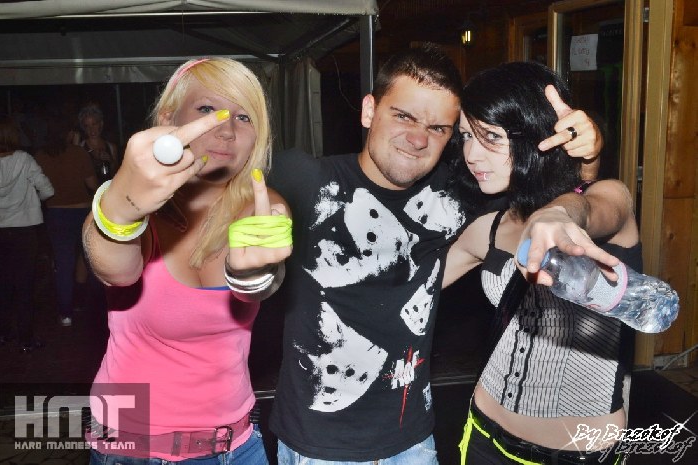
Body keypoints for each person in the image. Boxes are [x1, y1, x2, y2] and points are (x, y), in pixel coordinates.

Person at [266, 44, 612, 464]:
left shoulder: (460, 193)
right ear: (369, 111)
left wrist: (589, 156)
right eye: (403, 116)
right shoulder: (305, 179)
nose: (417, 139)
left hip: (415, 442)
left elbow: (559, 200)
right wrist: (268, 211)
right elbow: (233, 192)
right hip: (318, 448)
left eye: (438, 128)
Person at [81, 57, 292, 464]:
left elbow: (264, 280)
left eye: (244, 117)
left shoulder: (262, 204)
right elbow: (115, 269)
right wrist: (120, 213)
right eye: (207, 109)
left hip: (237, 445)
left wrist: (252, 274)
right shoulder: (132, 203)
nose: (227, 130)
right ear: (168, 119)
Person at [444, 61, 644, 464]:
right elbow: (414, 285)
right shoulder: (490, 227)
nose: (471, 154)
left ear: (536, 133)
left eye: (491, 137)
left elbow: (592, 206)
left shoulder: (610, 200)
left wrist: (558, 214)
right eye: (466, 136)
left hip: (580, 454)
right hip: (484, 437)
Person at [35, 116, 99, 327]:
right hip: (82, 212)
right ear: (70, 133)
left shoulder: (40, 156)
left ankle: (66, 313)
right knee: (91, 262)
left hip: (55, 214)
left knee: (64, 265)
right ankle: (96, 310)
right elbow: (92, 184)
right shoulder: (79, 153)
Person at [0, 117, 54, 352]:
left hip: (0, 230)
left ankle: (2, 333)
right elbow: (48, 190)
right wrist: (31, 203)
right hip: (25, 230)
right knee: (24, 285)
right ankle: (26, 338)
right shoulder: (24, 159)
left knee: (2, 283)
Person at [78, 103, 119, 184]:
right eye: (87, 126)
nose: (91, 129)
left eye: (94, 124)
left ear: (101, 124)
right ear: (83, 128)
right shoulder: (80, 148)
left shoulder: (111, 147)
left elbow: (117, 176)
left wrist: (111, 162)